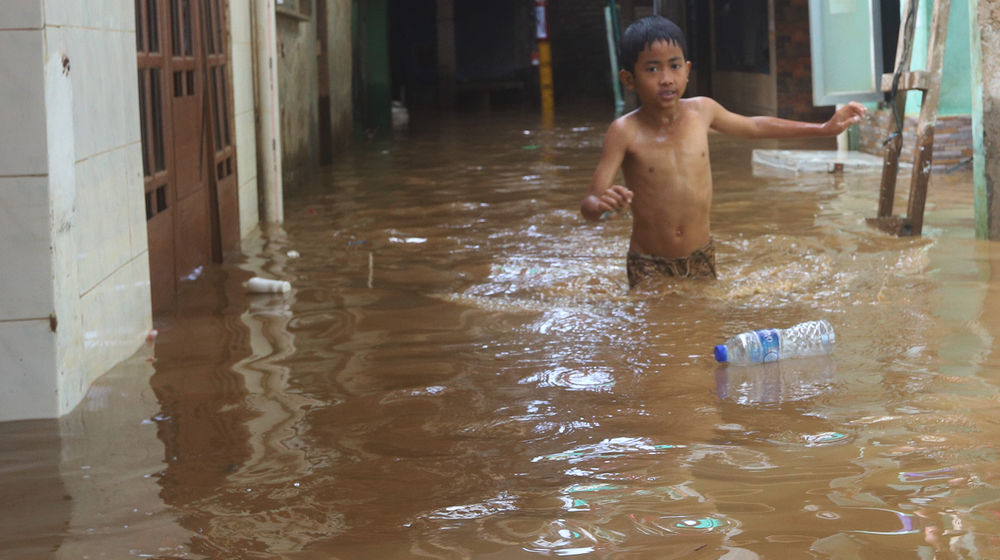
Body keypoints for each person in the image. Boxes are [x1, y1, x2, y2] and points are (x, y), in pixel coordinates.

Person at [581, 15, 866, 289]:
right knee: (657, 334)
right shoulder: (624, 131)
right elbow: (590, 204)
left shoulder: (702, 111)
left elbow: (754, 126)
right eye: (652, 69)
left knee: (703, 328)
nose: (666, 78)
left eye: (674, 66)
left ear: (688, 71)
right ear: (629, 79)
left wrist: (822, 129)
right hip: (648, 263)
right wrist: (604, 206)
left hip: (701, 255)